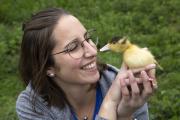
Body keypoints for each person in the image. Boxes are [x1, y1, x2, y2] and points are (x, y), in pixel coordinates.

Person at [16, 7, 157, 120]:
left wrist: (125, 114)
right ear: (48, 67)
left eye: (87, 38)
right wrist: (111, 103)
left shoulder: (129, 86)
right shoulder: (33, 106)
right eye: (73, 47)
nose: (92, 51)